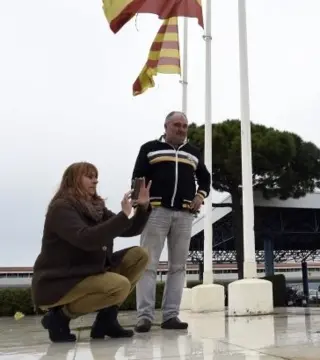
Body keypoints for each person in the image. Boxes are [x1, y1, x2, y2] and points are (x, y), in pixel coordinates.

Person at [31, 162, 153, 343]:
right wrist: (122, 216)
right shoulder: (61, 208)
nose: (95, 181)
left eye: (96, 177)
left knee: (140, 255)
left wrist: (142, 207)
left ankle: (106, 321)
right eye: (89, 176)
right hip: (62, 279)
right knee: (119, 285)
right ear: (73, 180)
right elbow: (86, 239)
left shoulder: (97, 208)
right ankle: (59, 318)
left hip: (89, 271)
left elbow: (129, 230)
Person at [132, 111, 211, 332]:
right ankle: (144, 316)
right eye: (177, 124)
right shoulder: (149, 148)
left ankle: (170, 316)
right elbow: (138, 176)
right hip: (155, 212)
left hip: (184, 215)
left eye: (185, 125)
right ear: (166, 126)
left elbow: (205, 178)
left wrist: (199, 196)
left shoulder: (193, 153)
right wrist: (141, 202)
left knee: (178, 267)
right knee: (147, 265)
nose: (181, 129)